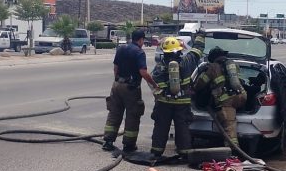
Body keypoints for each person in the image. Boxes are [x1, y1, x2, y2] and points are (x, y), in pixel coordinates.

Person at [102, 29, 159, 156]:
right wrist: (154, 85)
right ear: (141, 40)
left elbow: (115, 68)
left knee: (114, 113)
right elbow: (143, 73)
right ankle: (129, 145)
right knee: (133, 116)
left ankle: (108, 142)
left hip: (117, 85)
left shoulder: (121, 48)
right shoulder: (139, 52)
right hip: (131, 88)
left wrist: (117, 81)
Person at [150, 32, 205, 160]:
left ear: (165, 52)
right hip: (182, 102)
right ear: (180, 51)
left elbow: (155, 82)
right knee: (182, 127)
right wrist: (200, 36)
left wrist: (165, 90)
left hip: (164, 102)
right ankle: (184, 152)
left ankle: (156, 152)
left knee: (161, 127)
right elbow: (197, 50)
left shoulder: (160, 67)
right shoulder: (188, 61)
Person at [192, 47, 247, 155]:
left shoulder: (213, 67)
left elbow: (201, 84)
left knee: (229, 125)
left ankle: (233, 151)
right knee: (233, 112)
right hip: (242, 96)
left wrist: (195, 88)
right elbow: (240, 81)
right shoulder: (233, 65)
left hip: (227, 101)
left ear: (213, 58)